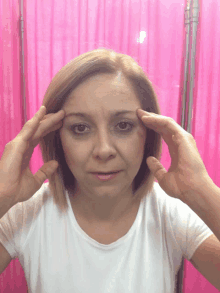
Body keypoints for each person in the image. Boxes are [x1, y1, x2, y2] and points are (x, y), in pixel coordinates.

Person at [0, 48, 213, 292]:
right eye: (80, 128)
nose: (103, 150)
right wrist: (2, 195)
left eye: (123, 125)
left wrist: (203, 192)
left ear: (149, 134)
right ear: (56, 138)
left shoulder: (171, 214)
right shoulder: (25, 214)